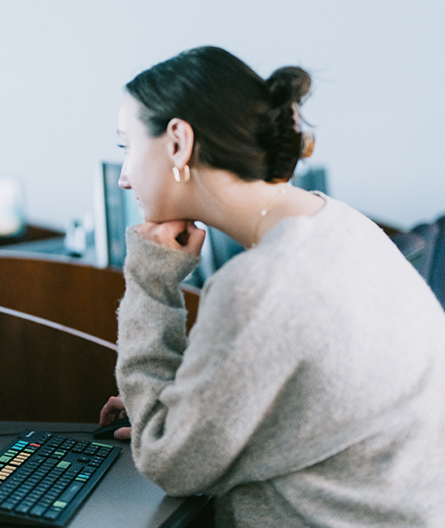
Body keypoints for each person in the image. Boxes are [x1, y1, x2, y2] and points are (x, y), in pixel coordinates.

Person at [99, 46, 445, 527]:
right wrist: (183, 416)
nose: (122, 177)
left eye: (126, 147)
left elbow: (168, 462)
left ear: (177, 141)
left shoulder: (262, 283)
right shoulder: (341, 223)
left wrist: (151, 279)